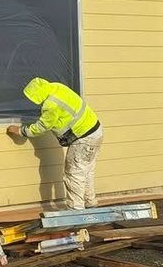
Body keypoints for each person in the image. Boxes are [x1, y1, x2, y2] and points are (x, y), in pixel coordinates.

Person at [6, 76, 104, 210]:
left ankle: (77, 212)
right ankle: (90, 204)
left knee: (74, 174)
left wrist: (21, 131)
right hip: (95, 131)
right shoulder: (58, 87)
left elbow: (42, 126)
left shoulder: (50, 105)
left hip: (83, 139)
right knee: (86, 171)